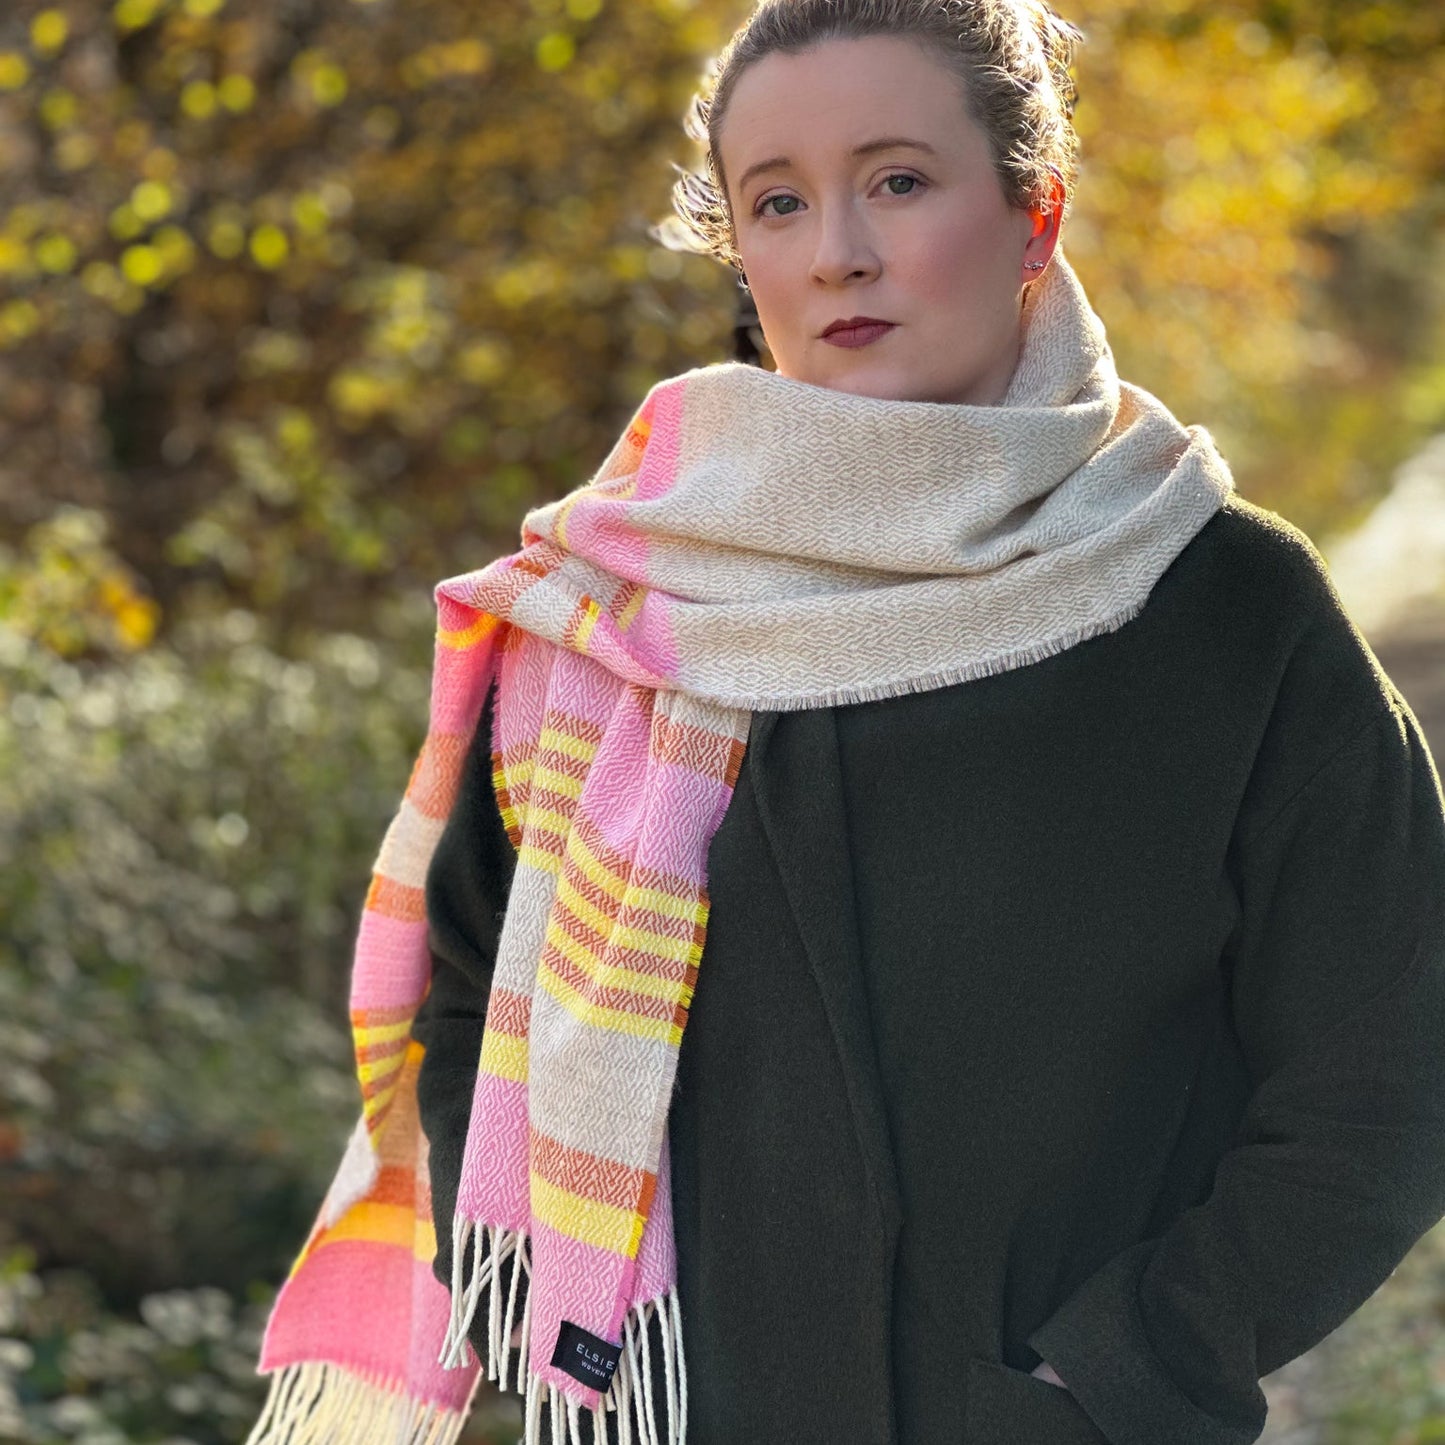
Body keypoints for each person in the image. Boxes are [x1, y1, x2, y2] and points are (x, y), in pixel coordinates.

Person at [245, 3, 1445, 1444]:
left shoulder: (1218, 604)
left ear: (1032, 213)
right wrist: (587, 1348)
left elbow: (1392, 1058)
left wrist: (1119, 1369)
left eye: (896, 180)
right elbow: (465, 985)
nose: (836, 252)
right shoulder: (618, 606)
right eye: (777, 202)